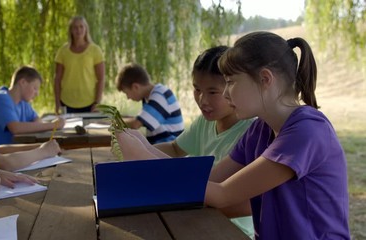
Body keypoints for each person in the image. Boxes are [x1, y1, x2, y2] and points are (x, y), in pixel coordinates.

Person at [202, 31, 350, 239]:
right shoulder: (258, 131)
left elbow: (222, 194)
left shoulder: (307, 131)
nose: (226, 93)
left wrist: (156, 175)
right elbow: (209, 180)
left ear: (265, 78)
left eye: (231, 81)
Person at [115, 47, 254, 238]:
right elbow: (175, 148)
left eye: (213, 92)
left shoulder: (252, 132)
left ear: (233, 88)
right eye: (197, 90)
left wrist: (144, 153)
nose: (202, 100)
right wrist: (142, 148)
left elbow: (221, 192)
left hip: (230, 227)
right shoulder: (205, 122)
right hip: (198, 209)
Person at [0, 66, 65, 145]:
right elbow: (16, 128)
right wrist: (54, 126)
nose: (37, 94)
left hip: (12, 154)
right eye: (35, 88)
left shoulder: (23, 103)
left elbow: (37, 120)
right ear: (23, 82)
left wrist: (28, 126)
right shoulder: (1, 99)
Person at [116, 63, 184, 144]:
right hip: (163, 148)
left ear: (135, 87)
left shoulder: (160, 95)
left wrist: (113, 123)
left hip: (172, 151)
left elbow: (136, 124)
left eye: (127, 93)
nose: (128, 98)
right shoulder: (149, 97)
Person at [54, 16, 105, 114]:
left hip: (90, 103)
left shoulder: (95, 50)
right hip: (66, 102)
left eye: (81, 27)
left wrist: (97, 102)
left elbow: (101, 78)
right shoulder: (63, 51)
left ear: (86, 29)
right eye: (75, 27)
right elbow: (57, 79)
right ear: (71, 30)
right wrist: (57, 103)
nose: (79, 30)